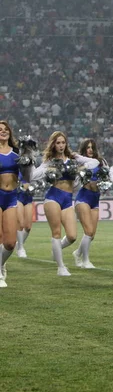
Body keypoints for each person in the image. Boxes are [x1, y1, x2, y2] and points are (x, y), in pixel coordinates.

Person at [31, 131, 100, 276]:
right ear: (53, 144)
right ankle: (61, 267)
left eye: (63, 142)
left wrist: (80, 165)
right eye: (58, 143)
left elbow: (95, 162)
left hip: (68, 199)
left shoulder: (72, 158)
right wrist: (49, 170)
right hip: (53, 197)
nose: (61, 145)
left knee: (72, 236)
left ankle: (56, 250)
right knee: (56, 232)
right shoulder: (50, 160)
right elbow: (33, 176)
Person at [0, 121, 34, 287]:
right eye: (0, 129)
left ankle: (0, 264)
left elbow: (28, 178)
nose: (3, 131)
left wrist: (28, 157)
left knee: (10, 243)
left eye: (6, 129)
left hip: (12, 197)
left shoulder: (16, 155)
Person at [71, 139, 108, 269]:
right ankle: (86, 260)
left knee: (92, 234)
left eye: (92, 147)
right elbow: (75, 182)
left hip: (95, 199)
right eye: (88, 147)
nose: (90, 149)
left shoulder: (101, 162)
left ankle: (77, 253)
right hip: (83, 197)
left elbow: (107, 176)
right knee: (88, 231)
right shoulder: (80, 163)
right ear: (84, 149)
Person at [15, 172, 34, 258]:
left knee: (28, 227)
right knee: (20, 223)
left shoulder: (31, 168)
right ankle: (20, 248)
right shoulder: (16, 166)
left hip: (28, 197)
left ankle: (19, 244)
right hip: (17, 196)